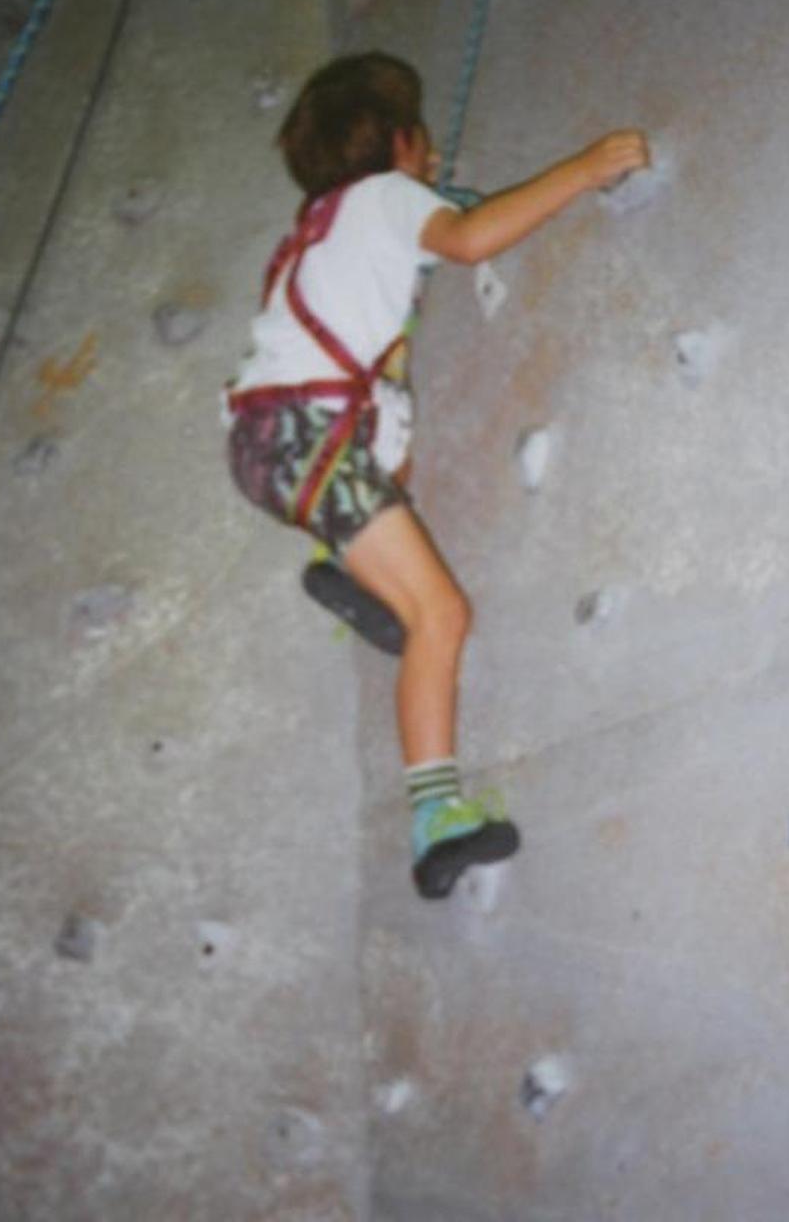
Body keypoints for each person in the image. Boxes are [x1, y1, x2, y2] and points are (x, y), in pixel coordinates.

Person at [225, 52, 648, 898]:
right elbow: (468, 237)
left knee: (398, 486)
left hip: (273, 441)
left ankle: (353, 575)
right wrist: (584, 169)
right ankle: (435, 819)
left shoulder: (323, 225)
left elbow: (442, 225)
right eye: (422, 146)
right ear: (400, 142)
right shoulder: (386, 199)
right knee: (442, 614)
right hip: (311, 437)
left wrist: (447, 199)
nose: (431, 158)